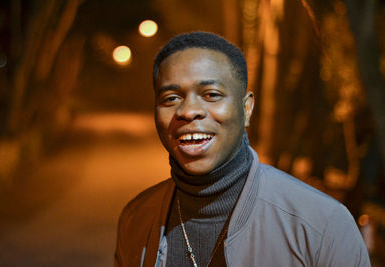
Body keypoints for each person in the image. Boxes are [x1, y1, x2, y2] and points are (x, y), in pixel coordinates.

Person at [114, 32, 370, 267]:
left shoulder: (321, 226)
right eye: (171, 98)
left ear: (246, 109)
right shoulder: (137, 219)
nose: (188, 111)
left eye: (211, 94)